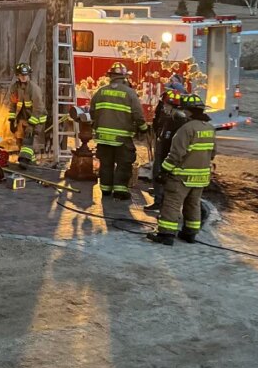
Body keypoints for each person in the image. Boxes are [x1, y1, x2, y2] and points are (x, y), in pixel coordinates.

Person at [149, 93, 216, 245]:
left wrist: (163, 171)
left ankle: (166, 235)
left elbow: (176, 154)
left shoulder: (186, 129)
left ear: (188, 111)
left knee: (172, 203)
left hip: (181, 176)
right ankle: (190, 234)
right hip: (201, 177)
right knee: (193, 204)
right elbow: (212, 153)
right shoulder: (209, 128)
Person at [90, 62, 147, 199]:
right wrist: (143, 128)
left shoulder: (100, 92)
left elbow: (92, 112)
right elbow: (138, 114)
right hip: (122, 138)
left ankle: (106, 189)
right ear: (124, 77)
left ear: (110, 76)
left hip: (103, 137)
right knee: (124, 163)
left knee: (106, 164)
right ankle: (120, 191)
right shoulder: (129, 93)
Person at [144, 89, 188, 213]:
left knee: (159, 172)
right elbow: (157, 123)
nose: (164, 107)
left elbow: (169, 137)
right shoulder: (174, 116)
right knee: (158, 173)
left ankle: (160, 200)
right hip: (163, 145)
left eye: (165, 105)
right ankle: (159, 195)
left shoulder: (175, 118)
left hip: (166, 150)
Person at [7, 62, 47, 169]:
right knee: (19, 139)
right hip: (22, 118)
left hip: (36, 118)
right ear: (18, 75)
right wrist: (11, 121)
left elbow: (38, 109)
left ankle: (24, 161)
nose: (24, 77)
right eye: (21, 75)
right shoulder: (15, 88)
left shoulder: (34, 89)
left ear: (28, 75)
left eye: (25, 75)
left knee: (28, 140)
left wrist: (31, 125)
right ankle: (31, 161)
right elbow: (13, 104)